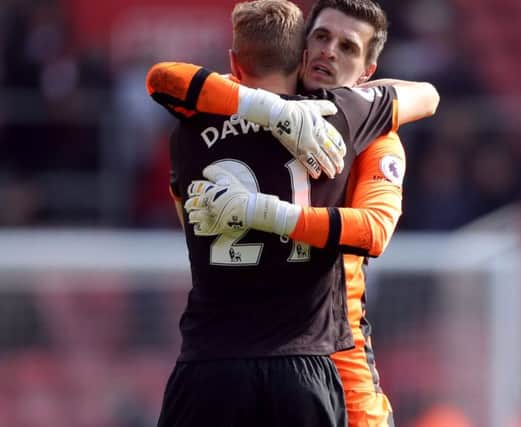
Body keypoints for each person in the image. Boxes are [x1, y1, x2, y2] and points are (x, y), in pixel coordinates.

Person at [147, 1, 439, 426]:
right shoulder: (237, 100)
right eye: (321, 37)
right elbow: (167, 79)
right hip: (296, 366)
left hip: (340, 358)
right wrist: (272, 109)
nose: (329, 52)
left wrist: (262, 212)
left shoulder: (372, 131)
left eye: (347, 47)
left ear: (367, 73)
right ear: (301, 48)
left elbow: (375, 229)